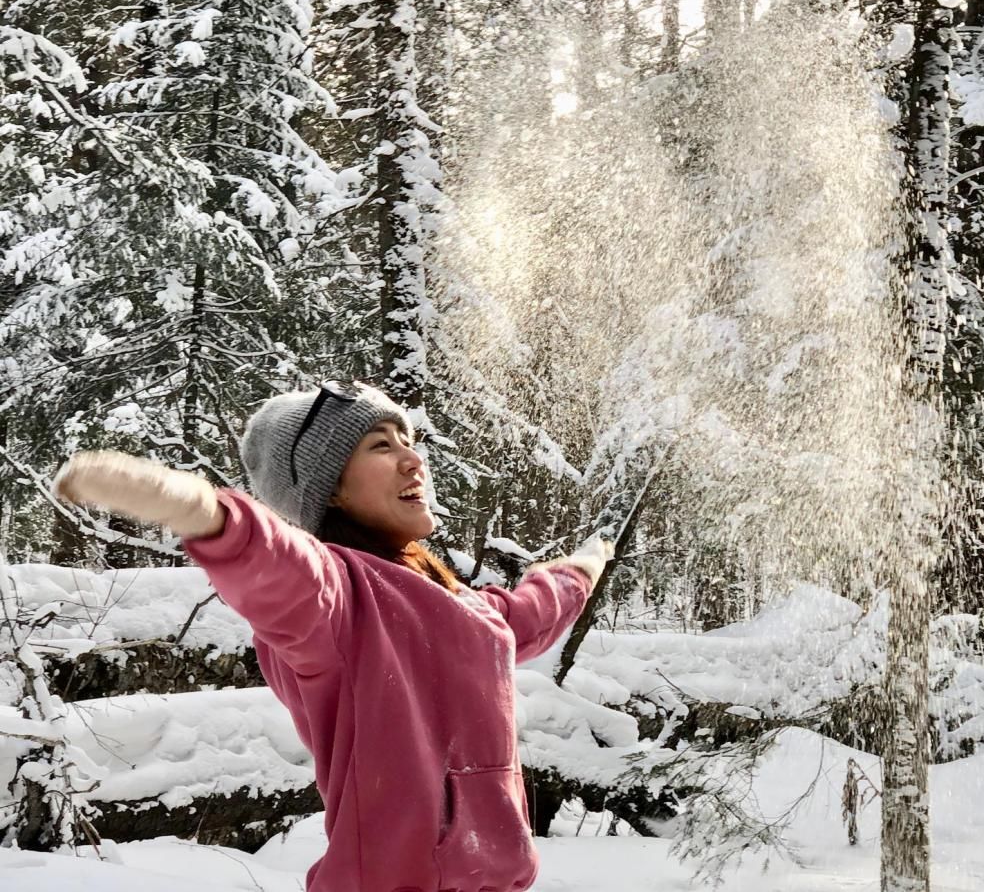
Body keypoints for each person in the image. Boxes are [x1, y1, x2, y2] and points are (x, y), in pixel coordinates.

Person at [54, 380, 612, 892]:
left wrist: (578, 570)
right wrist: (205, 513)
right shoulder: (338, 599)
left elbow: (524, 617)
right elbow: (284, 568)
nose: (414, 459)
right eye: (380, 446)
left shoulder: (455, 602)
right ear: (331, 490)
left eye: (408, 440)